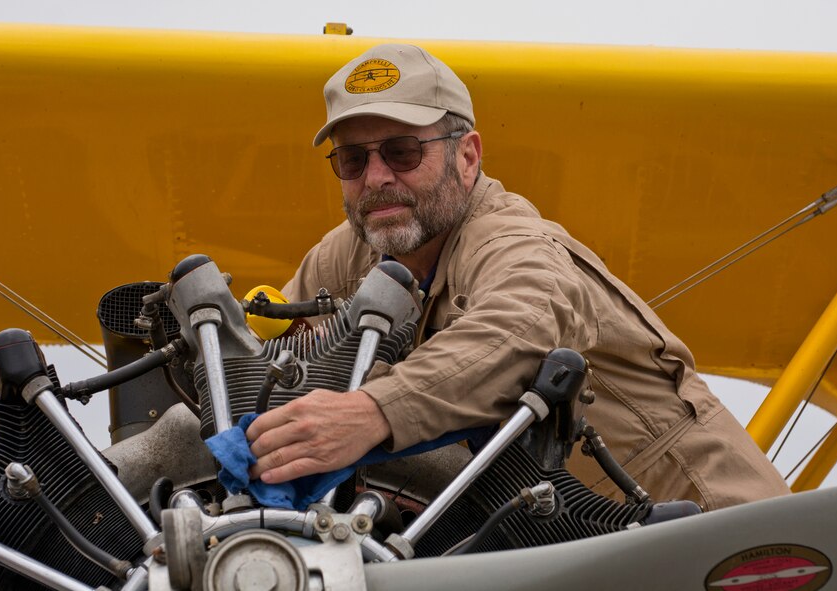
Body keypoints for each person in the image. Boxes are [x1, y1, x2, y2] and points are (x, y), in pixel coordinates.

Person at [245, 43, 790, 509]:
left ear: (467, 156)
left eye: (402, 151)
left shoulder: (511, 241)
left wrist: (371, 411)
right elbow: (259, 355)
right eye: (352, 161)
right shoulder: (351, 253)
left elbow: (523, 326)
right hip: (554, 539)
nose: (377, 177)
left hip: (711, 529)